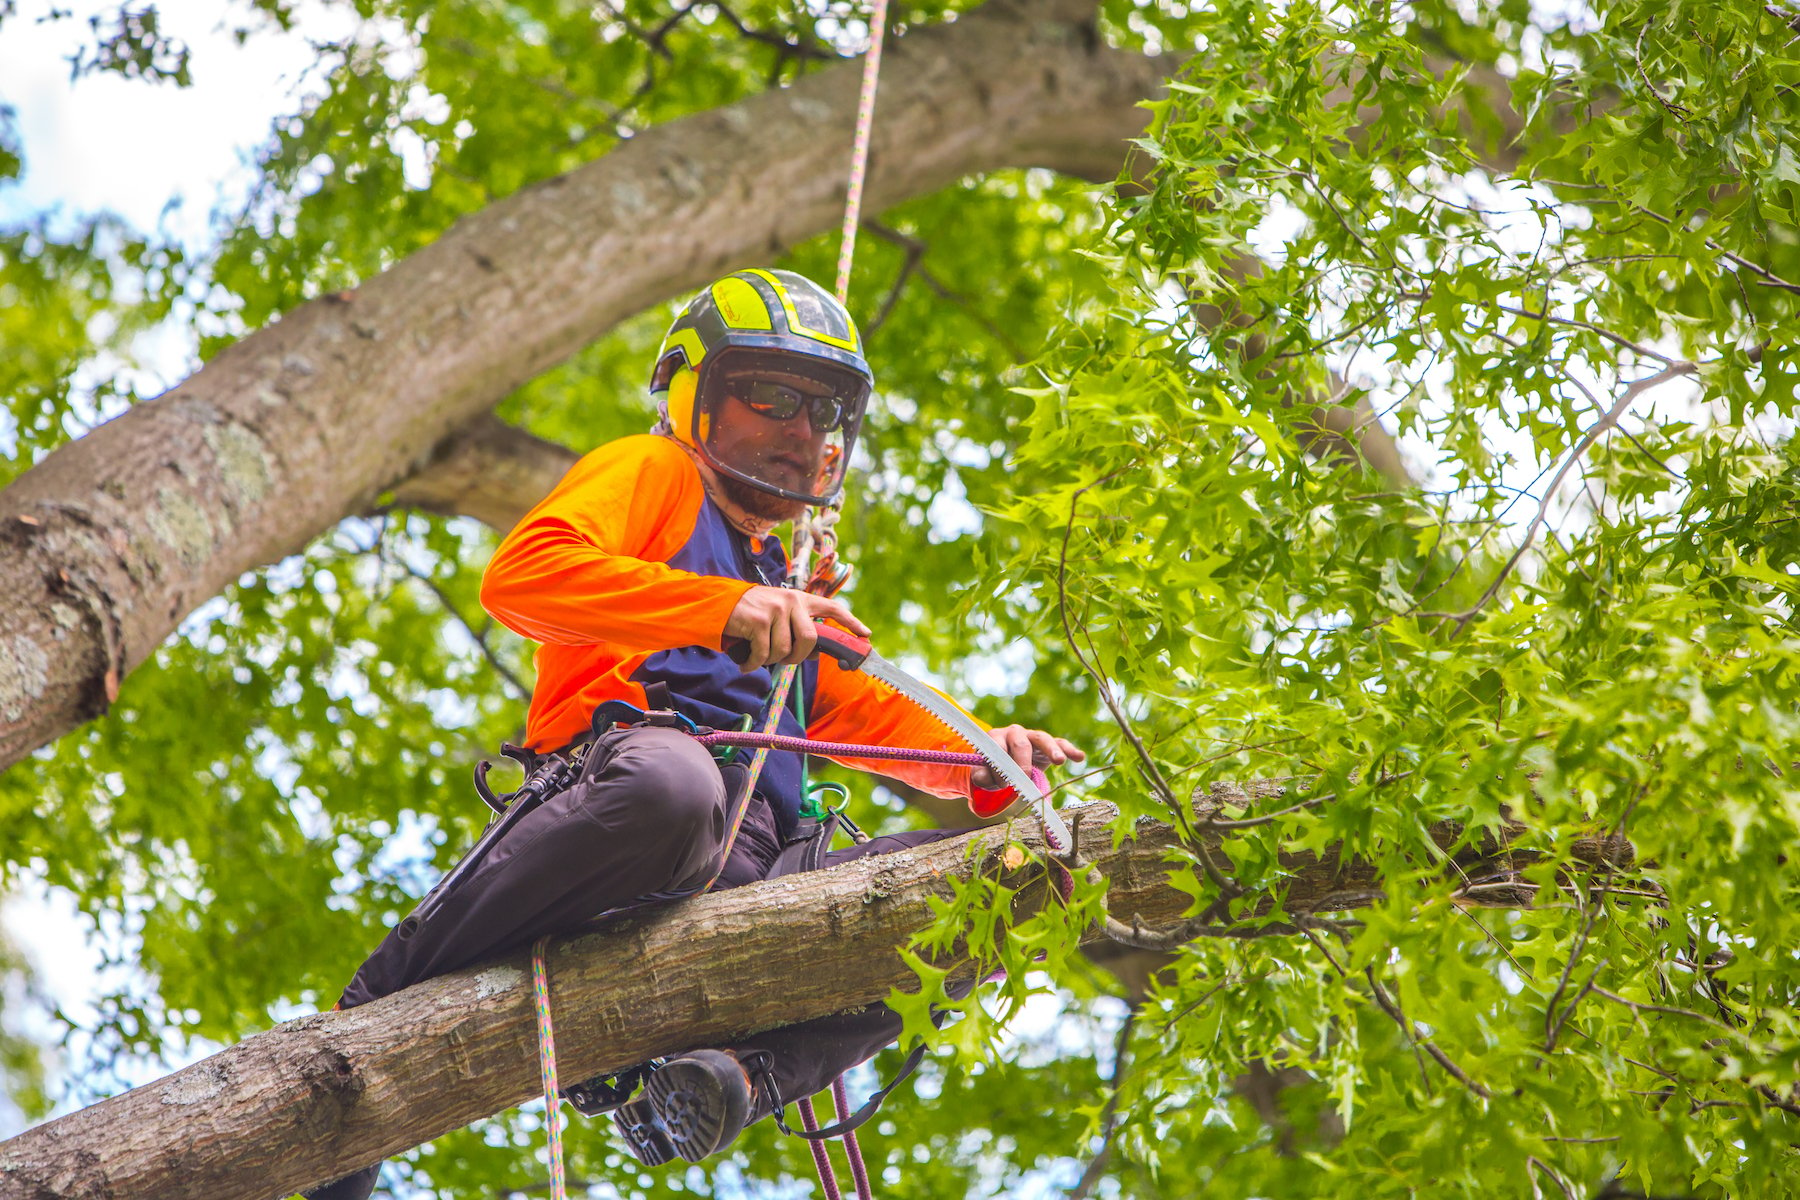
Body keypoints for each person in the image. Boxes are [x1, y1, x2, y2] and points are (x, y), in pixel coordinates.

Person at [305, 268, 1082, 1200]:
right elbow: (525, 577)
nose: (801, 432)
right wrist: (726, 607)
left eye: (822, 412)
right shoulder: (657, 472)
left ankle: (734, 1078)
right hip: (634, 802)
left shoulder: (790, 580)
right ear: (696, 397)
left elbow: (859, 713)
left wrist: (987, 760)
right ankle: (381, 1000)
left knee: (980, 899)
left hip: (756, 865)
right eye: (773, 396)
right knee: (677, 787)